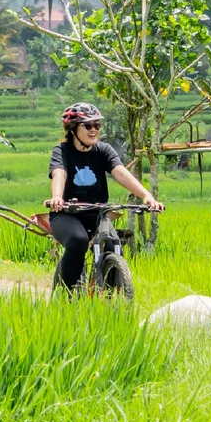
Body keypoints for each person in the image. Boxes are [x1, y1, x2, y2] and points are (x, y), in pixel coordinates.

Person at [48, 102, 162, 291]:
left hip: (98, 214)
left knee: (113, 245)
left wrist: (146, 195)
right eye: (88, 125)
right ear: (73, 129)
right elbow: (60, 173)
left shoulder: (103, 150)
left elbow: (120, 172)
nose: (94, 130)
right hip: (66, 213)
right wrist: (57, 197)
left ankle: (110, 299)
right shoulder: (62, 151)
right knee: (78, 241)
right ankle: (67, 296)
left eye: (97, 125)